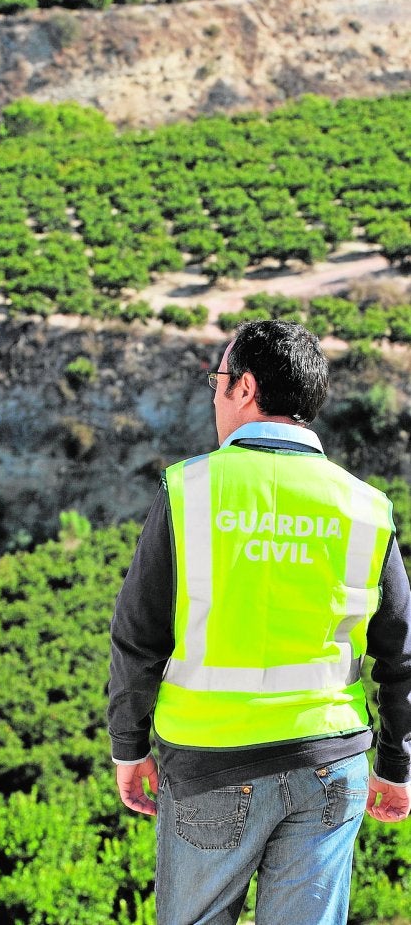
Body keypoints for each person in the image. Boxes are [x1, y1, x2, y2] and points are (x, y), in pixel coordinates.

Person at [108, 320, 411, 925]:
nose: (216, 396)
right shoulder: (366, 506)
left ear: (244, 388)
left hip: (208, 762)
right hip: (329, 761)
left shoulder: (190, 489)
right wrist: (397, 765)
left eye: (217, 382)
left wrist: (129, 746)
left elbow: (138, 636)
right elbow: (401, 652)